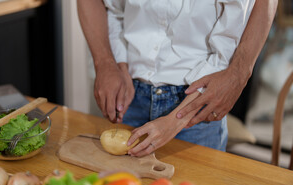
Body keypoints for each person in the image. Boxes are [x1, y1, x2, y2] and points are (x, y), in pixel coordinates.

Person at [77, 0, 278, 157]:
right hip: (128, 92)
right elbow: (112, 9)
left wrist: (177, 119)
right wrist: (106, 63)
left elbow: (226, 52)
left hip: (196, 105)